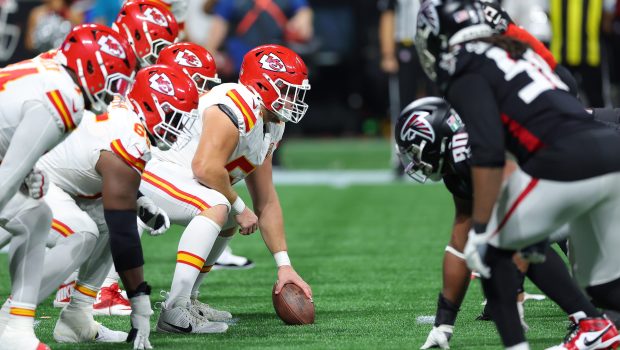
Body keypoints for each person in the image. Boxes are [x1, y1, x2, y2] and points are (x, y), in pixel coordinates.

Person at [416, 0, 620, 349]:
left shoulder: (461, 65)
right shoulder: (516, 46)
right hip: (609, 150)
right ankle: (596, 327)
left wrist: (482, 228)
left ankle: (527, 343)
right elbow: (567, 82)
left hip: (569, 160)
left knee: (495, 249)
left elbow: (489, 150)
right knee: (603, 287)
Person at [395, 97, 620, 349]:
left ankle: (590, 323)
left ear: (435, 138)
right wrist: (443, 323)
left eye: (413, 151)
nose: (413, 161)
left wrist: (513, 290)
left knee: (517, 240)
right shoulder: (459, 164)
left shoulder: (471, 148)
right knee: (598, 285)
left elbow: (516, 219)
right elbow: (460, 237)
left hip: (601, 156)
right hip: (589, 167)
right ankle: (593, 320)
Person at [138, 44, 313, 334]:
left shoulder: (271, 124)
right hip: (152, 169)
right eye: (287, 88)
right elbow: (205, 167)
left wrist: (284, 265)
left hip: (178, 177)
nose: (293, 98)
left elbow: (266, 200)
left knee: (227, 213)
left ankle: (188, 300)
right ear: (263, 84)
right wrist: (240, 207)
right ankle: (174, 311)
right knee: (221, 206)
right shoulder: (237, 103)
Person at [34, 64, 198, 348]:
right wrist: (140, 305)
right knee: (83, 232)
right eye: (174, 115)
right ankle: (12, 319)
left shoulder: (126, 115)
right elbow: (125, 235)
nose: (179, 126)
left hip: (53, 179)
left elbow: (95, 163)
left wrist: (139, 199)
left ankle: (78, 317)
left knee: (102, 225)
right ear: (151, 105)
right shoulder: (130, 136)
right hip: (29, 181)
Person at [0, 23, 136, 350]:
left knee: (33, 215)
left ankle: (14, 327)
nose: (113, 89)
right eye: (110, 77)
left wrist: (28, 172)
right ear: (89, 67)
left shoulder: (51, 69)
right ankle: (12, 328)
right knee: (33, 217)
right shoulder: (65, 97)